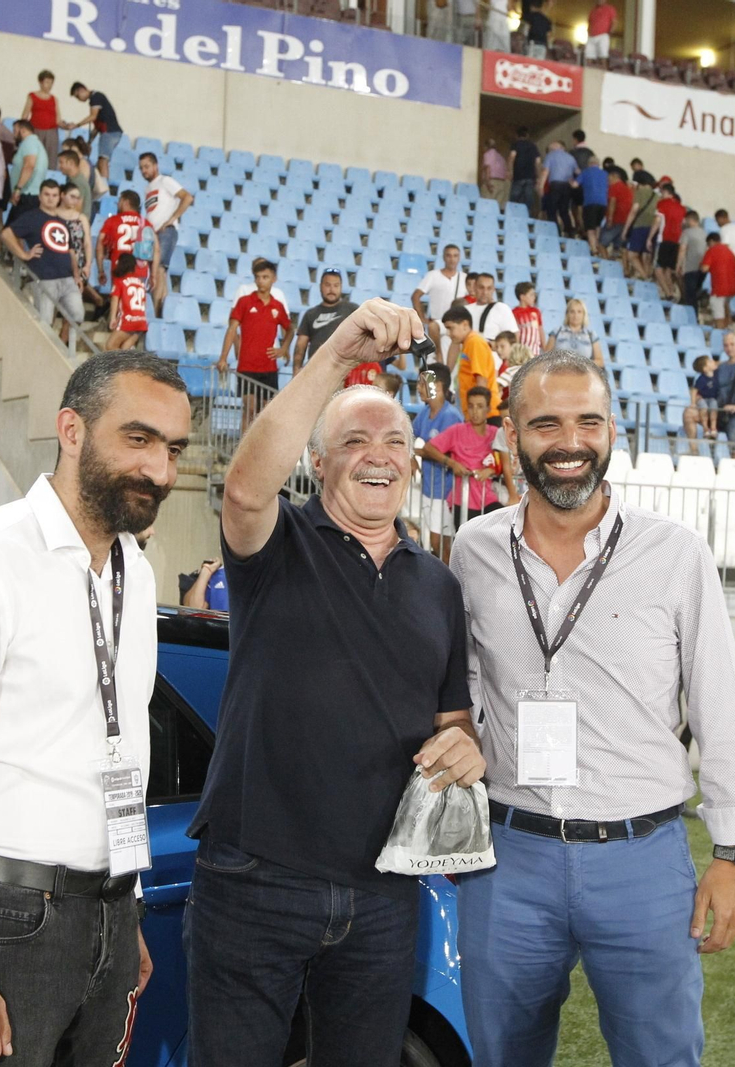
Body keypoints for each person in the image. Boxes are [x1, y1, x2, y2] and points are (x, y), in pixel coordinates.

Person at [452, 350, 735, 1067]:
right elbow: (461, 688)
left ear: (612, 432)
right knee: (501, 1056)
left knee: (662, 1056)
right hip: (507, 860)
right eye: (546, 423)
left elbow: (720, 702)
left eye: (587, 421)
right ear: (513, 434)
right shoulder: (472, 549)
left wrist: (732, 853)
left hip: (643, 857)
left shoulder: (677, 552)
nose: (569, 442)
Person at [187, 300, 481, 1067]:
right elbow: (247, 490)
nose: (376, 454)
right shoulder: (277, 544)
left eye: (394, 441)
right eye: (353, 440)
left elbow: (455, 723)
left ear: (414, 464)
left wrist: (466, 749)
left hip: (384, 892)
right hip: (257, 881)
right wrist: (337, 355)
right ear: (318, 463)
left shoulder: (439, 586)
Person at [0, 352, 190, 1067]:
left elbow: (124, 751)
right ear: (71, 429)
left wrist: (126, 907)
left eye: (173, 449)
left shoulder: (134, 575)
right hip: (8, 922)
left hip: (109, 914)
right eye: (138, 439)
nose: (161, 471)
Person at [2, 179, 84, 338]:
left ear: (59, 197)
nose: (50, 198)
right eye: (46, 194)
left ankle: (61, 342)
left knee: (77, 315)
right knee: (45, 322)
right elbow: (6, 234)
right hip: (44, 277)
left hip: (67, 278)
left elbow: (71, 251)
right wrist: (23, 254)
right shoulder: (31, 217)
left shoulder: (62, 222)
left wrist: (76, 274)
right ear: (40, 196)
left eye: (54, 195)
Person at [219, 258, 292, 434]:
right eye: (258, 277)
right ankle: (242, 453)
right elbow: (232, 329)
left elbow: (290, 329)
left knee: (265, 414)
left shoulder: (277, 305)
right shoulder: (244, 302)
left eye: (265, 277)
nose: (261, 281)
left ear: (273, 278)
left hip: (268, 367)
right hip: (247, 366)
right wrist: (223, 358)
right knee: (249, 409)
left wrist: (283, 349)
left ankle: (261, 455)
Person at [421, 386, 510, 524]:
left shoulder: (496, 433)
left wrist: (492, 470)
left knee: (498, 534)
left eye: (480, 406)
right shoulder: (457, 430)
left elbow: (506, 460)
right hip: (462, 500)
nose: (475, 411)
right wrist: (452, 463)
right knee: (466, 543)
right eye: (471, 406)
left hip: (490, 498)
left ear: (488, 409)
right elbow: (429, 447)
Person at [412, 362, 465, 561]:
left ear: (439, 386)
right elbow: (408, 435)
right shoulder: (424, 413)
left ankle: (454, 587)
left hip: (445, 491)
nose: (418, 388)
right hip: (428, 488)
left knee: (441, 544)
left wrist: (422, 451)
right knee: (432, 544)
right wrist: (412, 455)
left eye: (422, 383)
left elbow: (446, 453)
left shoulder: (451, 416)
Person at [139, 152, 193, 294]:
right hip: (153, 234)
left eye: (147, 166)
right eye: (141, 168)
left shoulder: (165, 180)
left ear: (155, 165)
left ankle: (157, 312)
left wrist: (172, 219)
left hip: (165, 231)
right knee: (160, 273)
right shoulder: (147, 188)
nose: (144, 171)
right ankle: (160, 311)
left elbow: (187, 197)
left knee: (158, 269)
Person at [293, 269, 359, 370]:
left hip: (345, 371)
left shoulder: (353, 310)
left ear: (341, 287)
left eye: (336, 285)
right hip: (315, 370)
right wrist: (296, 370)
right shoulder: (310, 314)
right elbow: (300, 346)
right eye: (327, 285)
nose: (332, 289)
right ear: (320, 286)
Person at [412, 244, 468, 357]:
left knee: (453, 361)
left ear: (459, 257)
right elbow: (416, 296)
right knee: (433, 359)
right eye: (449, 255)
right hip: (437, 324)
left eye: (455, 256)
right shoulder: (433, 275)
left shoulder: (465, 278)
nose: (452, 259)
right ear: (443, 257)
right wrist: (422, 318)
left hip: (456, 326)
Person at [443, 305, 498, 414]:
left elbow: (481, 380)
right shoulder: (467, 343)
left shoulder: (475, 342)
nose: (448, 334)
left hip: (483, 416)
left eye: (451, 328)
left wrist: (479, 414)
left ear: (465, 325)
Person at [65, 82, 123, 181]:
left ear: (81, 90)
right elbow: (97, 126)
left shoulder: (95, 97)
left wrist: (77, 125)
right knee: (100, 161)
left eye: (78, 96)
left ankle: (104, 187)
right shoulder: (96, 98)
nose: (79, 99)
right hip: (110, 132)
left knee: (102, 160)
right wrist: (89, 142)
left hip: (109, 132)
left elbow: (93, 116)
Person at [6, 119, 49, 219]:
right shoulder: (35, 143)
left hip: (27, 195)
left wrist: (18, 188)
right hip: (29, 194)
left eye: (15, 131)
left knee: (10, 232)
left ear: (22, 130)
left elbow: (29, 165)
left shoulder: (29, 142)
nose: (14, 135)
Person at [106, 252, 149, 352]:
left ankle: (124, 366)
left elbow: (115, 299)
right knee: (125, 349)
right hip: (141, 321)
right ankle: (130, 363)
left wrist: (112, 318)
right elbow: (144, 303)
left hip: (128, 320)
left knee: (110, 346)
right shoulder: (140, 283)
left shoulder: (120, 281)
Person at [545, 299, 605, 366]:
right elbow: (545, 358)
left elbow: (600, 361)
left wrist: (583, 364)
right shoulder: (556, 332)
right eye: (572, 311)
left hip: (583, 374)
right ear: (567, 314)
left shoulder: (591, 334)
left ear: (584, 314)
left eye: (579, 312)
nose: (575, 315)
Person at [653, 182, 687, 302]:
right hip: (677, 240)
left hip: (664, 239)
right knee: (668, 269)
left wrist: (649, 237)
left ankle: (668, 293)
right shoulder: (682, 208)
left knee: (658, 268)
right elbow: (683, 225)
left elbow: (657, 221)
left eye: (662, 193)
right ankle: (671, 292)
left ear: (666, 192)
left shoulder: (662, 204)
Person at [701, 231, 735, 330]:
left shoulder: (712, 250)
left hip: (719, 287)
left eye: (708, 244)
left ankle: (720, 332)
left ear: (711, 241)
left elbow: (704, 268)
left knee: (718, 312)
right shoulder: (730, 252)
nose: (708, 246)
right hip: (731, 286)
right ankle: (728, 327)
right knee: (726, 307)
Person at [539, 140, 578, 233]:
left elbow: (545, 172)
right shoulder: (571, 157)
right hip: (567, 186)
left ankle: (556, 232)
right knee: (564, 210)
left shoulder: (550, 156)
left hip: (555, 185)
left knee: (551, 210)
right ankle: (570, 231)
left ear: (552, 149)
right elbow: (577, 172)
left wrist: (541, 186)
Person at [23, 70, 61, 160]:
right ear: (40, 82)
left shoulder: (54, 99)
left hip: (51, 132)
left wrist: (67, 126)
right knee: (35, 157)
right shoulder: (32, 96)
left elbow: (58, 119)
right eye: (47, 82)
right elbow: (25, 115)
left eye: (51, 83)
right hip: (36, 130)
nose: (50, 85)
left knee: (51, 157)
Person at [470, 273, 520, 342]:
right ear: (475, 288)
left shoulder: (502, 308)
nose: (485, 292)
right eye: (481, 288)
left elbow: (514, 339)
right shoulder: (466, 310)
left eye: (489, 288)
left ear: (493, 289)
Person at [578, 156, 609, 255]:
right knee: (598, 226)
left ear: (589, 163)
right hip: (603, 203)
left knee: (590, 228)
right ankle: (598, 246)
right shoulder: (605, 174)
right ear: (598, 164)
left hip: (590, 203)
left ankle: (594, 249)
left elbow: (575, 184)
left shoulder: (585, 172)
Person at [677, 210, 708, 310]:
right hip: (703, 267)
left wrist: (678, 265)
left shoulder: (686, 232)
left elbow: (682, 250)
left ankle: (693, 317)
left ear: (690, 220)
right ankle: (701, 295)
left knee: (690, 295)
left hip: (690, 267)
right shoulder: (705, 233)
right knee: (695, 290)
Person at [508, 127, 541, 216]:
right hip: (530, 177)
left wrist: (510, 171)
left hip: (518, 175)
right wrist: (538, 177)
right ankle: (526, 218)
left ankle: (512, 217)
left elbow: (512, 157)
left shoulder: (515, 144)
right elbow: (537, 162)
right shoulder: (533, 146)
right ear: (527, 135)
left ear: (517, 135)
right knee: (528, 200)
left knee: (514, 199)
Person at [511, 281, 545, 354]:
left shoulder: (536, 311)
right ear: (522, 297)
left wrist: (544, 346)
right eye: (531, 295)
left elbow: (540, 329)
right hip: (522, 352)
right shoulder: (514, 312)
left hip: (535, 351)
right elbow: (515, 333)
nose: (534, 297)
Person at [480, 138, 510, 205]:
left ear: (486, 146)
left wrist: (487, 183)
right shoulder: (501, 157)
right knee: (497, 207)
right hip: (502, 183)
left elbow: (488, 168)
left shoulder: (488, 154)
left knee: (487, 205)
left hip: (492, 182)